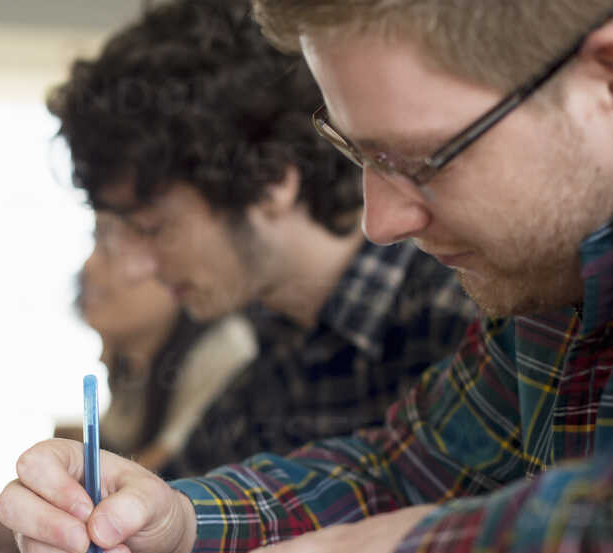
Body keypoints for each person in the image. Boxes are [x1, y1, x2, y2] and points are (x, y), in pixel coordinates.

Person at [0, 0, 613, 553]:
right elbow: (403, 474)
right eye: (361, 157)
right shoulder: (561, 273)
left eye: (420, 160)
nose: (381, 222)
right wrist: (179, 527)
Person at [48, 0, 479, 476]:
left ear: (271, 181)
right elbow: (171, 505)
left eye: (153, 228)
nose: (134, 269)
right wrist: (18, 523)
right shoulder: (271, 356)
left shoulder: (464, 314)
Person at [79, 214, 257, 476]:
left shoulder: (226, 347)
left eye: (108, 246)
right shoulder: (134, 364)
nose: (89, 266)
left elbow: (160, 472)